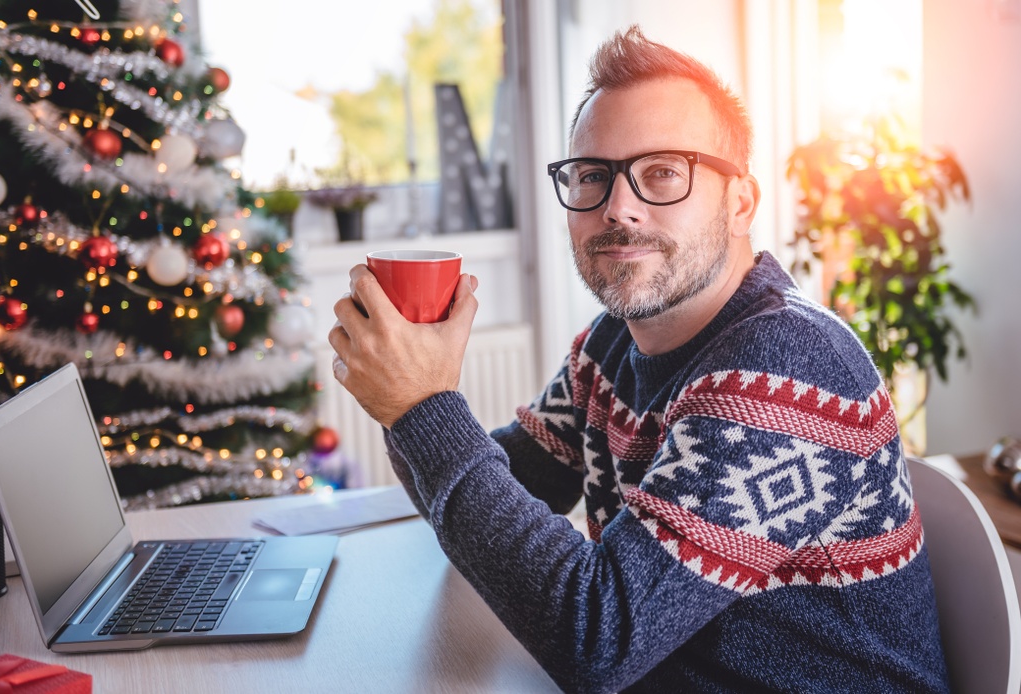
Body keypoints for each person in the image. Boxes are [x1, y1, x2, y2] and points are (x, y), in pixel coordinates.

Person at [329, 25, 949, 694]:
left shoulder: (788, 369)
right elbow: (509, 485)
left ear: (740, 201)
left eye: (661, 173)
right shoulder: (611, 345)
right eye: (593, 176)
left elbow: (596, 637)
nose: (618, 208)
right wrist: (404, 390)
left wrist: (425, 408)